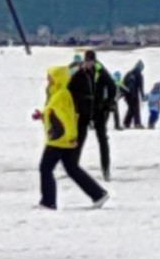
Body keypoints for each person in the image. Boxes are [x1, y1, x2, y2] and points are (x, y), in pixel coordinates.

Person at [32, 67, 109, 210]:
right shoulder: (56, 93)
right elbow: (55, 113)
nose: (48, 79)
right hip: (61, 138)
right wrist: (42, 115)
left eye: (50, 76)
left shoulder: (61, 95)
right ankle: (98, 194)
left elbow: (67, 118)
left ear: (58, 77)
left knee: (45, 168)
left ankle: (48, 202)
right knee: (71, 168)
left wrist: (71, 136)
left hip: (59, 139)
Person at [67, 50, 116, 181]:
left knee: (102, 140)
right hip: (84, 111)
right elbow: (70, 90)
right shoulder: (79, 73)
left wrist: (108, 102)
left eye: (91, 61)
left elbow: (112, 86)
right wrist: (78, 102)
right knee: (79, 140)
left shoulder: (100, 71)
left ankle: (106, 169)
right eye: (87, 61)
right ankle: (72, 168)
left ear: (94, 61)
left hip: (98, 110)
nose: (88, 63)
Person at [122, 60, 146, 129]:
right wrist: (143, 96)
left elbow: (123, 83)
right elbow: (141, 86)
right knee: (136, 108)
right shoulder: (139, 75)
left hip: (127, 94)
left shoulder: (128, 73)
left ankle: (126, 123)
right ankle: (137, 123)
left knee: (131, 108)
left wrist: (124, 94)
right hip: (134, 94)